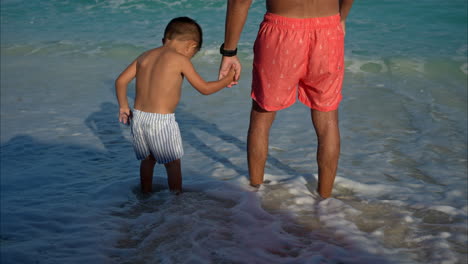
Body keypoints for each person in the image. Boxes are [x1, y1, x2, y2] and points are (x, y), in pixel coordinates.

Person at [218, 0, 354, 198]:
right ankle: (325, 200)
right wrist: (341, 18)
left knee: (262, 115)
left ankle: (255, 194)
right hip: (328, 32)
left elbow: (240, 1)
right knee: (327, 119)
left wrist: (229, 51)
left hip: (281, 33)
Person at [115, 17, 236, 194]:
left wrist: (124, 107)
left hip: (139, 117)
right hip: (161, 121)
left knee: (148, 160)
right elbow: (205, 89)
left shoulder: (144, 56)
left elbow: (120, 81)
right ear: (190, 46)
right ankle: (176, 201)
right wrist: (227, 80)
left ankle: (145, 195)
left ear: (165, 39)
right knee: (173, 163)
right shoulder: (180, 60)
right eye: (192, 53)